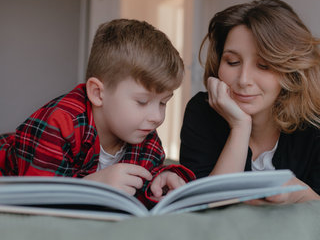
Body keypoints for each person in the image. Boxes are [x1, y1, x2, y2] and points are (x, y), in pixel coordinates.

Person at [0, 19, 195, 208]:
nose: (157, 117)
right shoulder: (60, 122)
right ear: (98, 93)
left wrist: (162, 180)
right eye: (142, 102)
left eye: (163, 103)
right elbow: (36, 196)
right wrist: (90, 186)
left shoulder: (145, 135)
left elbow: (145, 182)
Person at [180, 0, 320, 205]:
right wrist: (240, 126)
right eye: (232, 62)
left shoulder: (319, 123)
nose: (243, 80)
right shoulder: (202, 111)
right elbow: (204, 203)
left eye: (264, 65)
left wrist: (295, 192)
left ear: (291, 70)